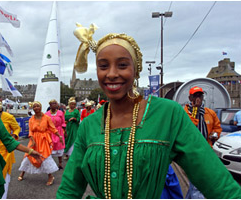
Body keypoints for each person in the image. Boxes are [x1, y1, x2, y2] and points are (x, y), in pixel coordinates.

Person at [57, 26, 241, 198]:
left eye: (122, 65)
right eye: (103, 66)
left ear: (136, 69)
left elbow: (218, 184)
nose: (111, 74)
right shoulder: (88, 125)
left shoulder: (168, 114)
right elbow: (68, 189)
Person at [18, 101, 60, 185]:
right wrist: (33, 141)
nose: (36, 108)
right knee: (28, 155)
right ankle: (22, 173)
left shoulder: (47, 118)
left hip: (43, 140)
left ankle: (50, 176)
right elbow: (30, 131)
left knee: (44, 157)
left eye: (37, 106)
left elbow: (53, 128)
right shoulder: (31, 119)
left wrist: (60, 136)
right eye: (34, 107)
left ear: (40, 107)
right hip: (33, 140)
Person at [0, 101, 20, 199]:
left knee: (4, 173)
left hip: (5, 149)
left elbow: (17, 128)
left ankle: (2, 196)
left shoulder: (8, 117)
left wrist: (14, 135)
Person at [45, 99, 66, 168]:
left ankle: (60, 163)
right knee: (51, 147)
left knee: (59, 147)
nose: (53, 105)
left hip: (59, 131)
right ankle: (51, 164)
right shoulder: (47, 114)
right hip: (50, 132)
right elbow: (45, 124)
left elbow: (63, 122)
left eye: (55, 103)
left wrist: (64, 131)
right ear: (50, 105)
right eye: (52, 104)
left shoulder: (60, 113)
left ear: (57, 105)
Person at [63, 97, 80, 165]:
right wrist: (65, 122)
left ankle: (73, 154)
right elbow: (64, 119)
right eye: (71, 104)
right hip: (68, 127)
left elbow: (78, 118)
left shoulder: (76, 111)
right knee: (67, 139)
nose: (72, 105)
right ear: (69, 104)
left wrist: (74, 118)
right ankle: (66, 154)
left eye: (74, 104)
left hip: (74, 127)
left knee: (74, 139)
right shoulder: (66, 111)